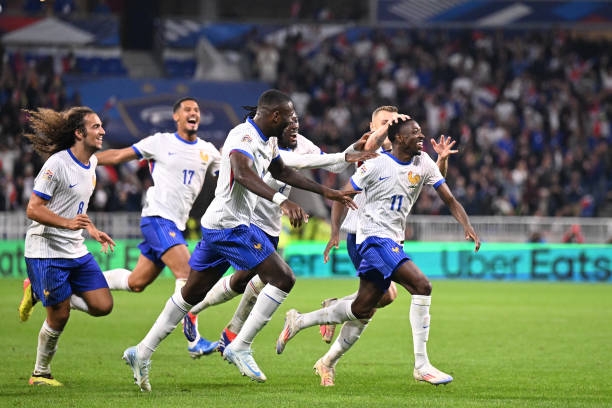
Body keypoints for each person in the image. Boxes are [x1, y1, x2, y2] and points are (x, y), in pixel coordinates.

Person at [121, 89, 359, 391]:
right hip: (231, 226)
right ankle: (240, 344)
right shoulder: (243, 137)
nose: (292, 125)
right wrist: (281, 202)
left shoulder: (267, 141)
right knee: (283, 278)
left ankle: (141, 351)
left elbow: (282, 171)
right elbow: (242, 172)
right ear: (275, 117)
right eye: (289, 118)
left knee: (190, 295)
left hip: (217, 224)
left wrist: (327, 192)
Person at [276, 116, 481, 387]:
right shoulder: (375, 163)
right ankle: (421, 364)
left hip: (394, 240)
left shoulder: (423, 162)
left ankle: (300, 321)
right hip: (373, 239)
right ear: (398, 138)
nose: (421, 137)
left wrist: (467, 225)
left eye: (421, 133)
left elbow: (449, 198)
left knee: (363, 307)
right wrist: (335, 232)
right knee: (422, 285)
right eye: (415, 133)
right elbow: (343, 195)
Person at [181, 106, 380, 352]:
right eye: (288, 124)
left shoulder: (303, 144)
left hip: (271, 225)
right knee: (248, 279)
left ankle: (221, 327)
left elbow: (332, 166)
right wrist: (341, 156)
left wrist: (351, 151)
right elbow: (294, 164)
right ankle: (213, 323)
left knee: (254, 283)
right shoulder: (263, 144)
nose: (293, 128)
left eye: (296, 123)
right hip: (246, 221)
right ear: (275, 124)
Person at [314, 108, 458, 386]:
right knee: (385, 296)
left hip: (388, 238)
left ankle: (332, 323)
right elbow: (370, 145)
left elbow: (433, 180)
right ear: (374, 127)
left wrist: (440, 159)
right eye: (385, 122)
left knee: (374, 301)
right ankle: (330, 346)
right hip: (362, 237)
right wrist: (388, 126)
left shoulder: (408, 156)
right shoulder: (371, 153)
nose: (392, 126)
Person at [96, 97, 221, 358]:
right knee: (188, 273)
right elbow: (119, 155)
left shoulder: (209, 151)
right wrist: (82, 159)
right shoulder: (160, 142)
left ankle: (80, 282)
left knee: (136, 281)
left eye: (197, 109)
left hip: (175, 223)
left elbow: (231, 176)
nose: (193, 113)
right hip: (157, 217)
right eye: (187, 109)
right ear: (176, 116)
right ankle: (193, 340)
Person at [18, 106, 117, 386]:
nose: (102, 131)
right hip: (45, 250)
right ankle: (40, 373)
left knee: (103, 305)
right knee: (59, 315)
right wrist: (66, 223)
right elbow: (33, 209)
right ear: (78, 132)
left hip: (75, 248)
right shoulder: (56, 164)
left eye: (101, 126)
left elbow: (78, 208)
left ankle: (38, 291)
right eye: (96, 127)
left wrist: (92, 229)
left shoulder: (93, 163)